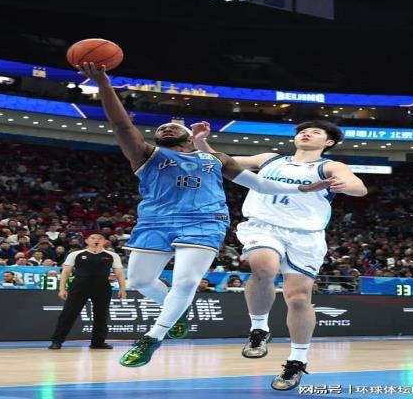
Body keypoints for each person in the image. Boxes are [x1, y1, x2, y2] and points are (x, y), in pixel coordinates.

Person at [78, 62, 331, 368]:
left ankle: (152, 338)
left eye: (174, 127)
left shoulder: (215, 159)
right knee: (140, 280)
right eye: (161, 129)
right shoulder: (146, 154)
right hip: (155, 222)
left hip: (204, 223)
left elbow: (260, 184)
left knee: (185, 282)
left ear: (188, 138)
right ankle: (176, 310)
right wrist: (104, 84)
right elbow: (121, 125)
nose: (166, 128)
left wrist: (303, 188)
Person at [192, 120, 367, 391]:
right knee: (264, 267)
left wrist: (346, 185)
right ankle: (259, 329)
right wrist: (200, 141)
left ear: (328, 142)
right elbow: (219, 161)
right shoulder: (270, 159)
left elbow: (359, 187)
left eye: (315, 132)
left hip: (306, 235)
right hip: (263, 226)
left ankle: (297, 360)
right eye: (302, 131)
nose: (306, 134)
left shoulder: (329, 166)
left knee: (298, 299)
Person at [48, 233, 126, 350]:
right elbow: (66, 272)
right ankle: (57, 341)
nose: (96, 240)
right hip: (79, 286)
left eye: (100, 238)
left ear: (104, 242)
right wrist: (62, 288)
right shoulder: (75, 254)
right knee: (68, 313)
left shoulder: (112, 255)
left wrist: (122, 289)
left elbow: (119, 273)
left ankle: (98, 342)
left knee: (101, 315)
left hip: (102, 287)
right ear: (87, 241)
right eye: (93, 238)